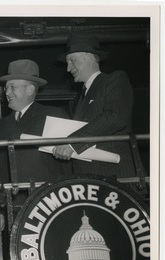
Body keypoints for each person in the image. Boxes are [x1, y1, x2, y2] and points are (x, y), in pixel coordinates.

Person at [53, 33, 138, 179]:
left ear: (89, 57)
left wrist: (72, 143)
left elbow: (115, 117)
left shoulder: (115, 79)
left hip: (115, 176)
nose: (68, 68)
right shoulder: (78, 98)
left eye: (72, 61)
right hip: (87, 178)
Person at [0, 59, 71, 184]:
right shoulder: (1, 125)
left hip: (48, 197)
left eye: (12, 87)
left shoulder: (54, 115)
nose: (7, 93)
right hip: (12, 199)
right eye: (6, 88)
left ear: (30, 90)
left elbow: (68, 166)